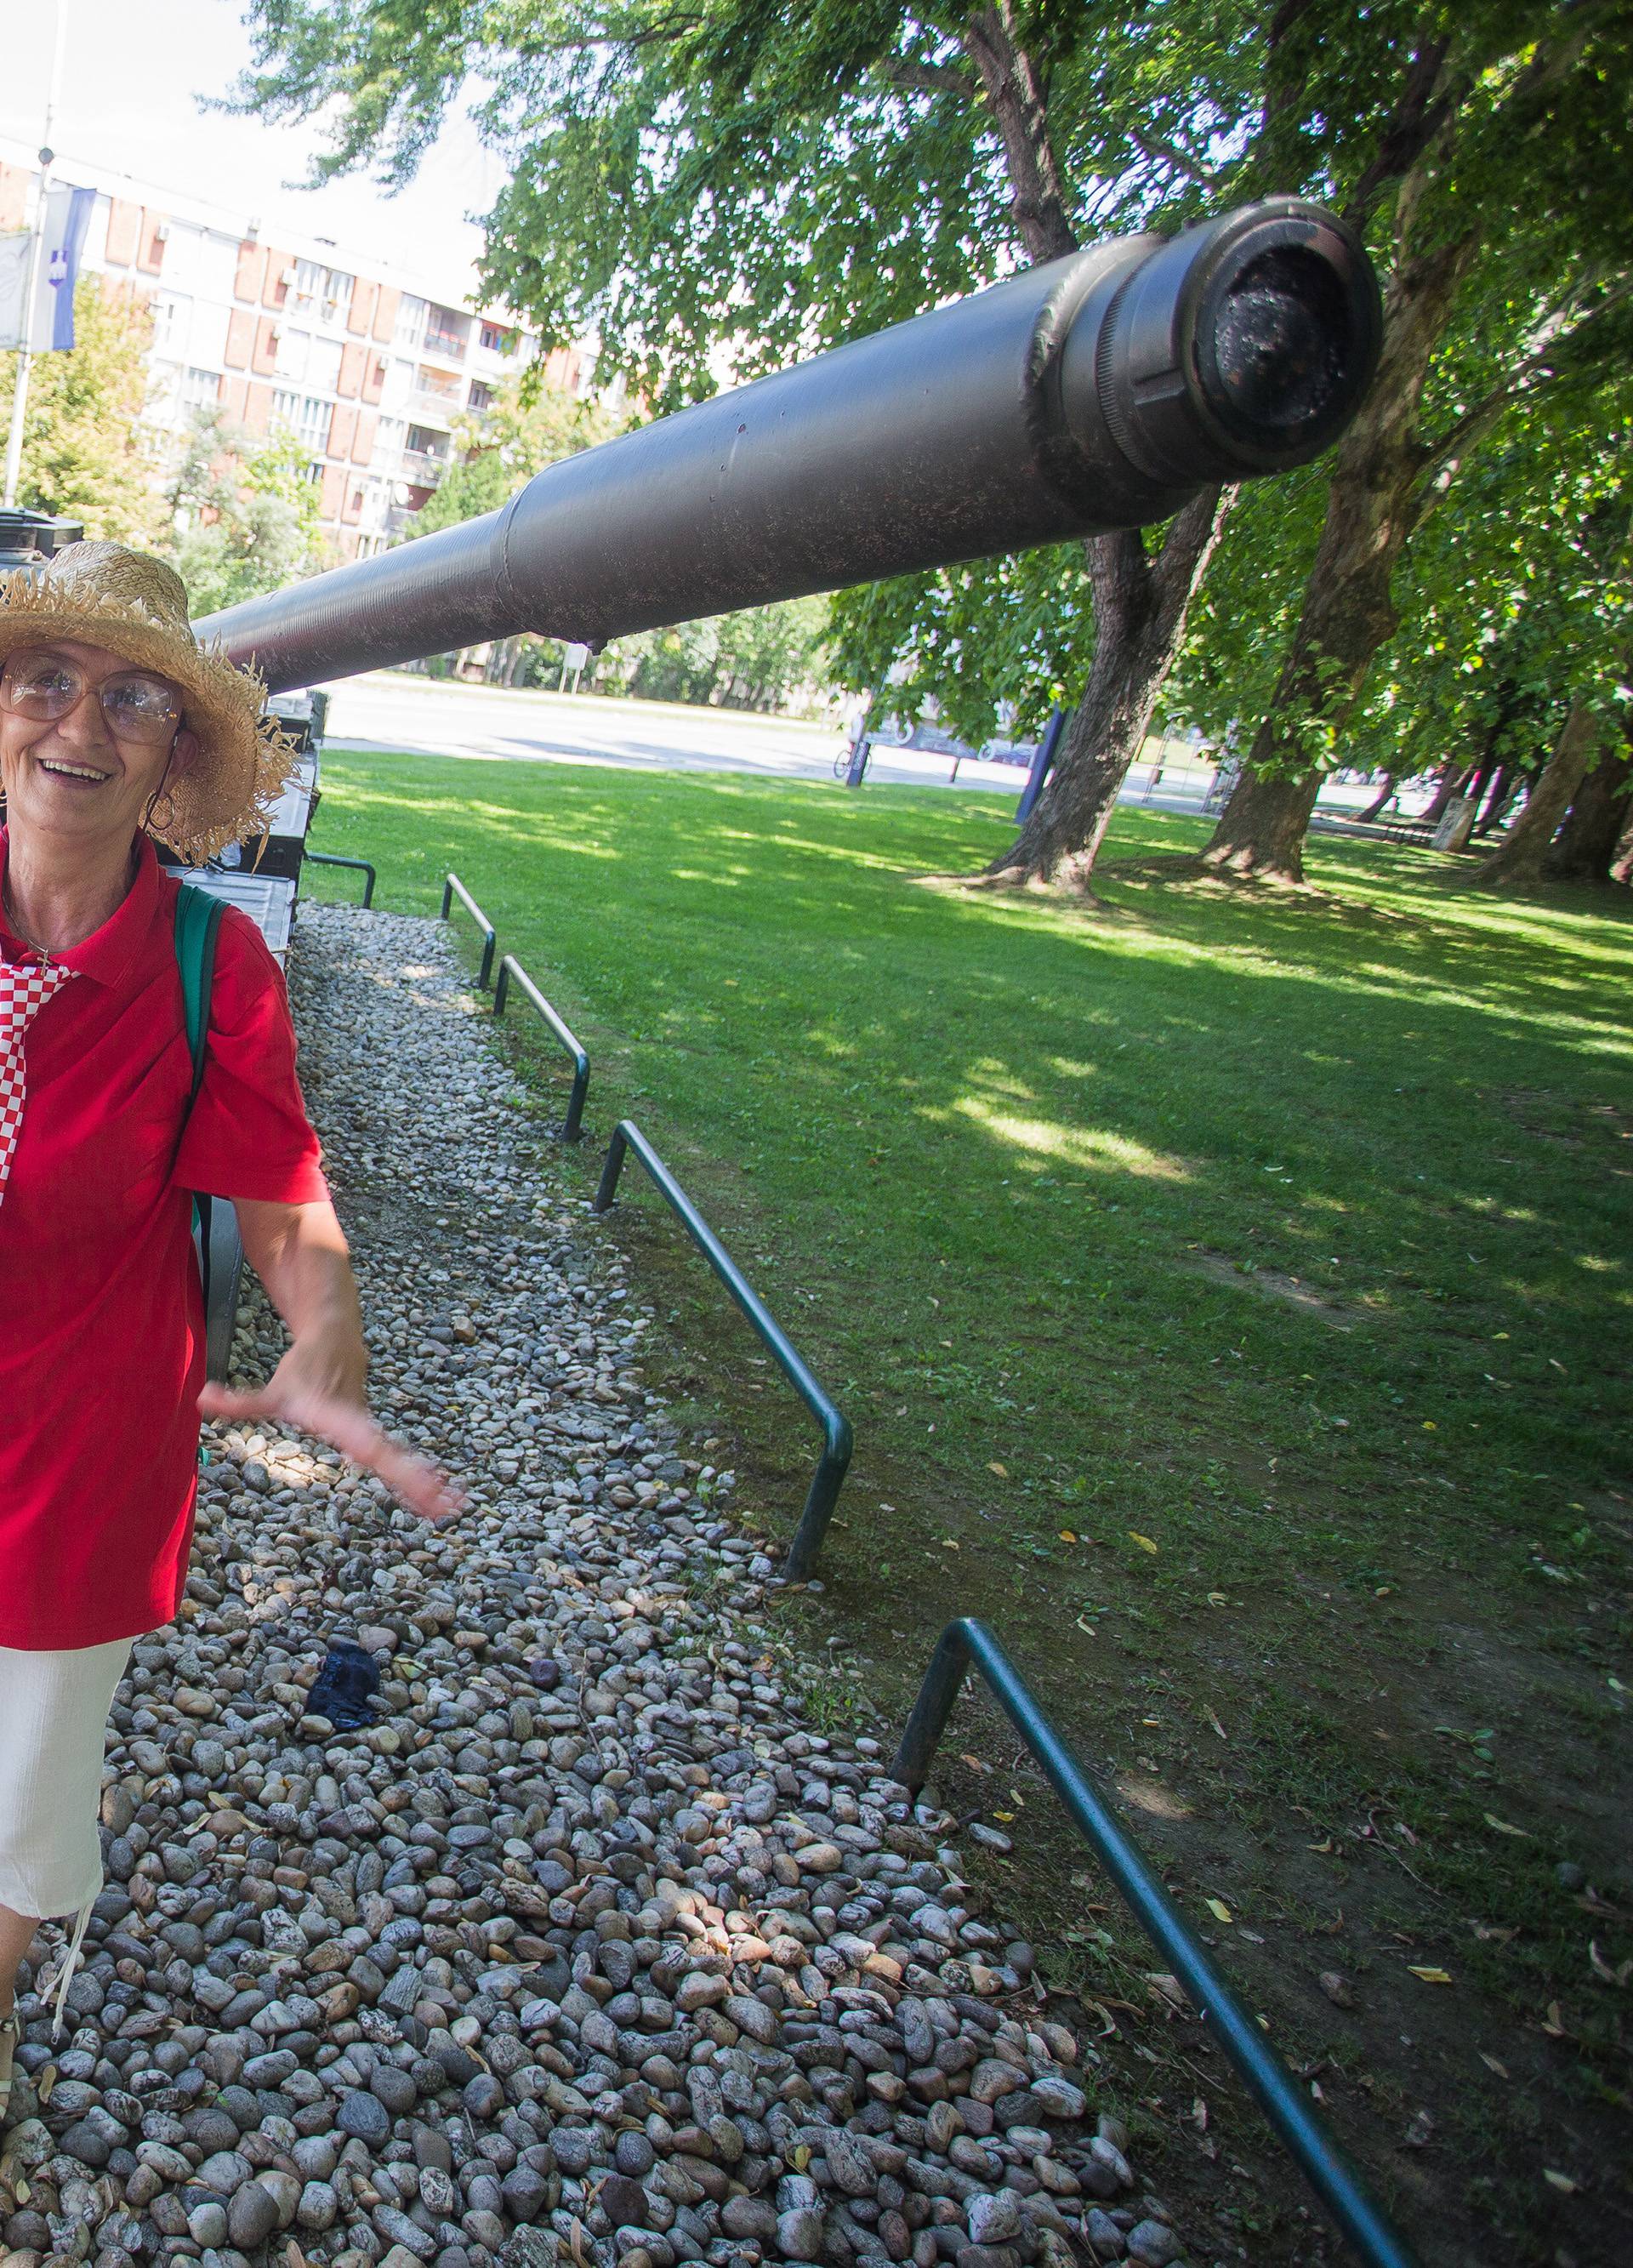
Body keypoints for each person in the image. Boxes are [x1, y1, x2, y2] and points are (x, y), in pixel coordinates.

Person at [0, 541, 458, 2112]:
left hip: (74, 1459)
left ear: (177, 756)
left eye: (132, 700)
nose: (80, 725)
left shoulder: (212, 963)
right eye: (44, 679)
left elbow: (278, 1194)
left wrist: (324, 1334)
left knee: (19, 1795)